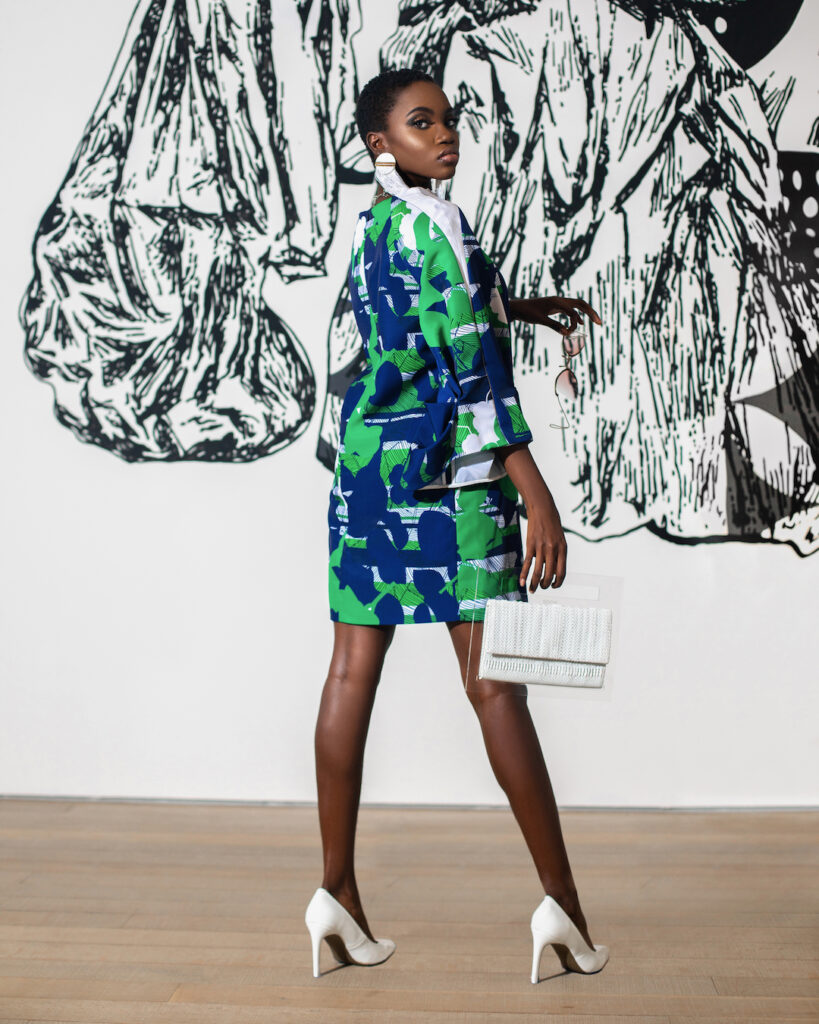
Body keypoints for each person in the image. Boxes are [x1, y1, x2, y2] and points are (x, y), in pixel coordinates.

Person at [305, 69, 608, 984]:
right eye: (419, 121)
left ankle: (336, 894)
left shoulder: (373, 228)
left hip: (369, 479)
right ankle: (564, 908)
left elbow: (415, 327)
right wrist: (534, 488)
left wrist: (518, 305)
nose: (444, 133)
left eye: (447, 119)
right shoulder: (441, 221)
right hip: (454, 481)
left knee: (350, 670)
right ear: (377, 142)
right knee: (498, 690)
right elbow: (468, 366)